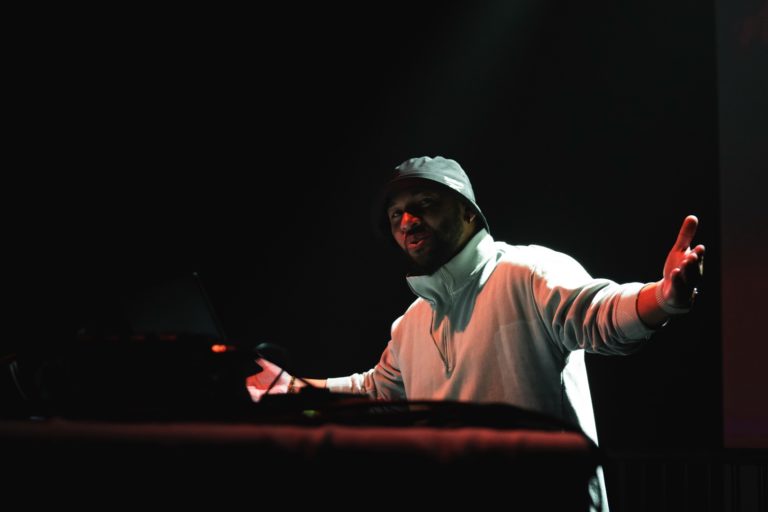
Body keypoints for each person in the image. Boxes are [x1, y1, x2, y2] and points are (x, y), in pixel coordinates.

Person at [245, 155, 705, 511]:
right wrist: (293, 388)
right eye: (396, 214)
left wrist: (663, 297)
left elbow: (602, 312)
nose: (407, 222)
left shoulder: (528, 271)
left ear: (468, 213)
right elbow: (374, 391)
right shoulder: (411, 324)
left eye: (424, 205)